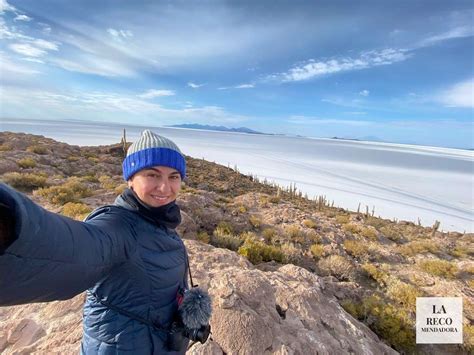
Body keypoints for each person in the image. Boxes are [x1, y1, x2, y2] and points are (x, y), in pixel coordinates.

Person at [0, 130, 207, 354]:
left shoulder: (158, 221)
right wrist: (11, 224)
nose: (165, 187)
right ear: (130, 179)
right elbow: (70, 248)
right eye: (152, 175)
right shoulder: (116, 226)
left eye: (173, 176)